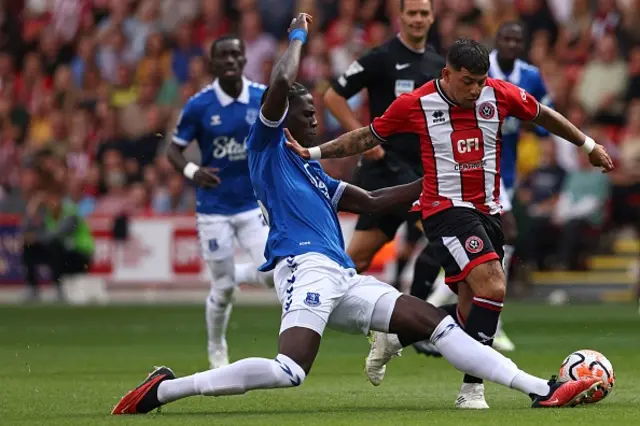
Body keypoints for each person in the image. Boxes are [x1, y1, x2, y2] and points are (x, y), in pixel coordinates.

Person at [112, 16, 604, 416]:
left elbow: (370, 202)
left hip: (343, 275)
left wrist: (432, 187)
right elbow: (284, 82)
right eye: (304, 114)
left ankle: (542, 389)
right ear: (283, 117)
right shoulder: (266, 147)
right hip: (304, 268)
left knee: (436, 323)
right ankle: (165, 391)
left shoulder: (314, 176)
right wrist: (299, 36)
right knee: (291, 370)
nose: (312, 119)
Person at [287, 38, 614, 409]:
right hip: (445, 209)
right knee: (493, 287)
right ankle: (472, 390)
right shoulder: (416, 103)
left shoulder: (499, 94)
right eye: (468, 81)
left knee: (469, 309)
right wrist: (313, 152)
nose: (476, 90)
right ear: (447, 73)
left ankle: (396, 338)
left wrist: (587, 145)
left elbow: (542, 113)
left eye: (480, 81)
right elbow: (366, 135)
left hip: (487, 211)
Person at [421, 21, 555, 353]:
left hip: (504, 173)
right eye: (506, 38)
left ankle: (449, 315)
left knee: (493, 251)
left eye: (517, 40)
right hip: (474, 176)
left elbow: (543, 117)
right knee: (500, 243)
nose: (511, 44)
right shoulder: (481, 69)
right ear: (497, 41)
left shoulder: (530, 76)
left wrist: (526, 122)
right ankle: (461, 314)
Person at [325, 0, 444, 356]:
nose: (419, 19)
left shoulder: (438, 64)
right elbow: (333, 96)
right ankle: (413, 324)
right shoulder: (380, 58)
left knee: (438, 238)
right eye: (413, 13)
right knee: (440, 237)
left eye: (425, 13)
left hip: (419, 174)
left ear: (432, 17)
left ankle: (409, 324)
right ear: (401, 17)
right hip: (383, 172)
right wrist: (365, 138)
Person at [167, 35, 273, 369]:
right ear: (213, 63)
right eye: (223, 56)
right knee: (224, 290)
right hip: (213, 209)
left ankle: (235, 272)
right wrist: (191, 170)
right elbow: (173, 149)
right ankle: (216, 346)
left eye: (235, 55)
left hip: (253, 206)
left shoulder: (261, 97)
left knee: (273, 273)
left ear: (244, 60)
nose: (230, 60)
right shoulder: (199, 105)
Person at [22, 187, 94, 302]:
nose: (50, 203)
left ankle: (58, 288)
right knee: (29, 247)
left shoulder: (71, 213)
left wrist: (35, 238)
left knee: (53, 245)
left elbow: (56, 234)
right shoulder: (49, 216)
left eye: (52, 199)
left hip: (80, 256)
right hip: (63, 255)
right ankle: (32, 287)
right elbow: (25, 232)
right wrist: (31, 210)